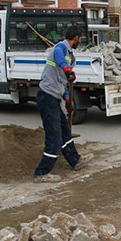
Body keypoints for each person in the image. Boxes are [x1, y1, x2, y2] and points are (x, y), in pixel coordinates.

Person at [33, 26, 89, 183]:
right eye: (80, 38)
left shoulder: (71, 56)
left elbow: (63, 81)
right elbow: (58, 57)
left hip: (55, 98)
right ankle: (41, 173)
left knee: (65, 131)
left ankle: (75, 160)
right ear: (76, 37)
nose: (80, 41)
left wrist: (66, 98)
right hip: (47, 97)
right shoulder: (61, 47)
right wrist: (66, 69)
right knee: (55, 137)